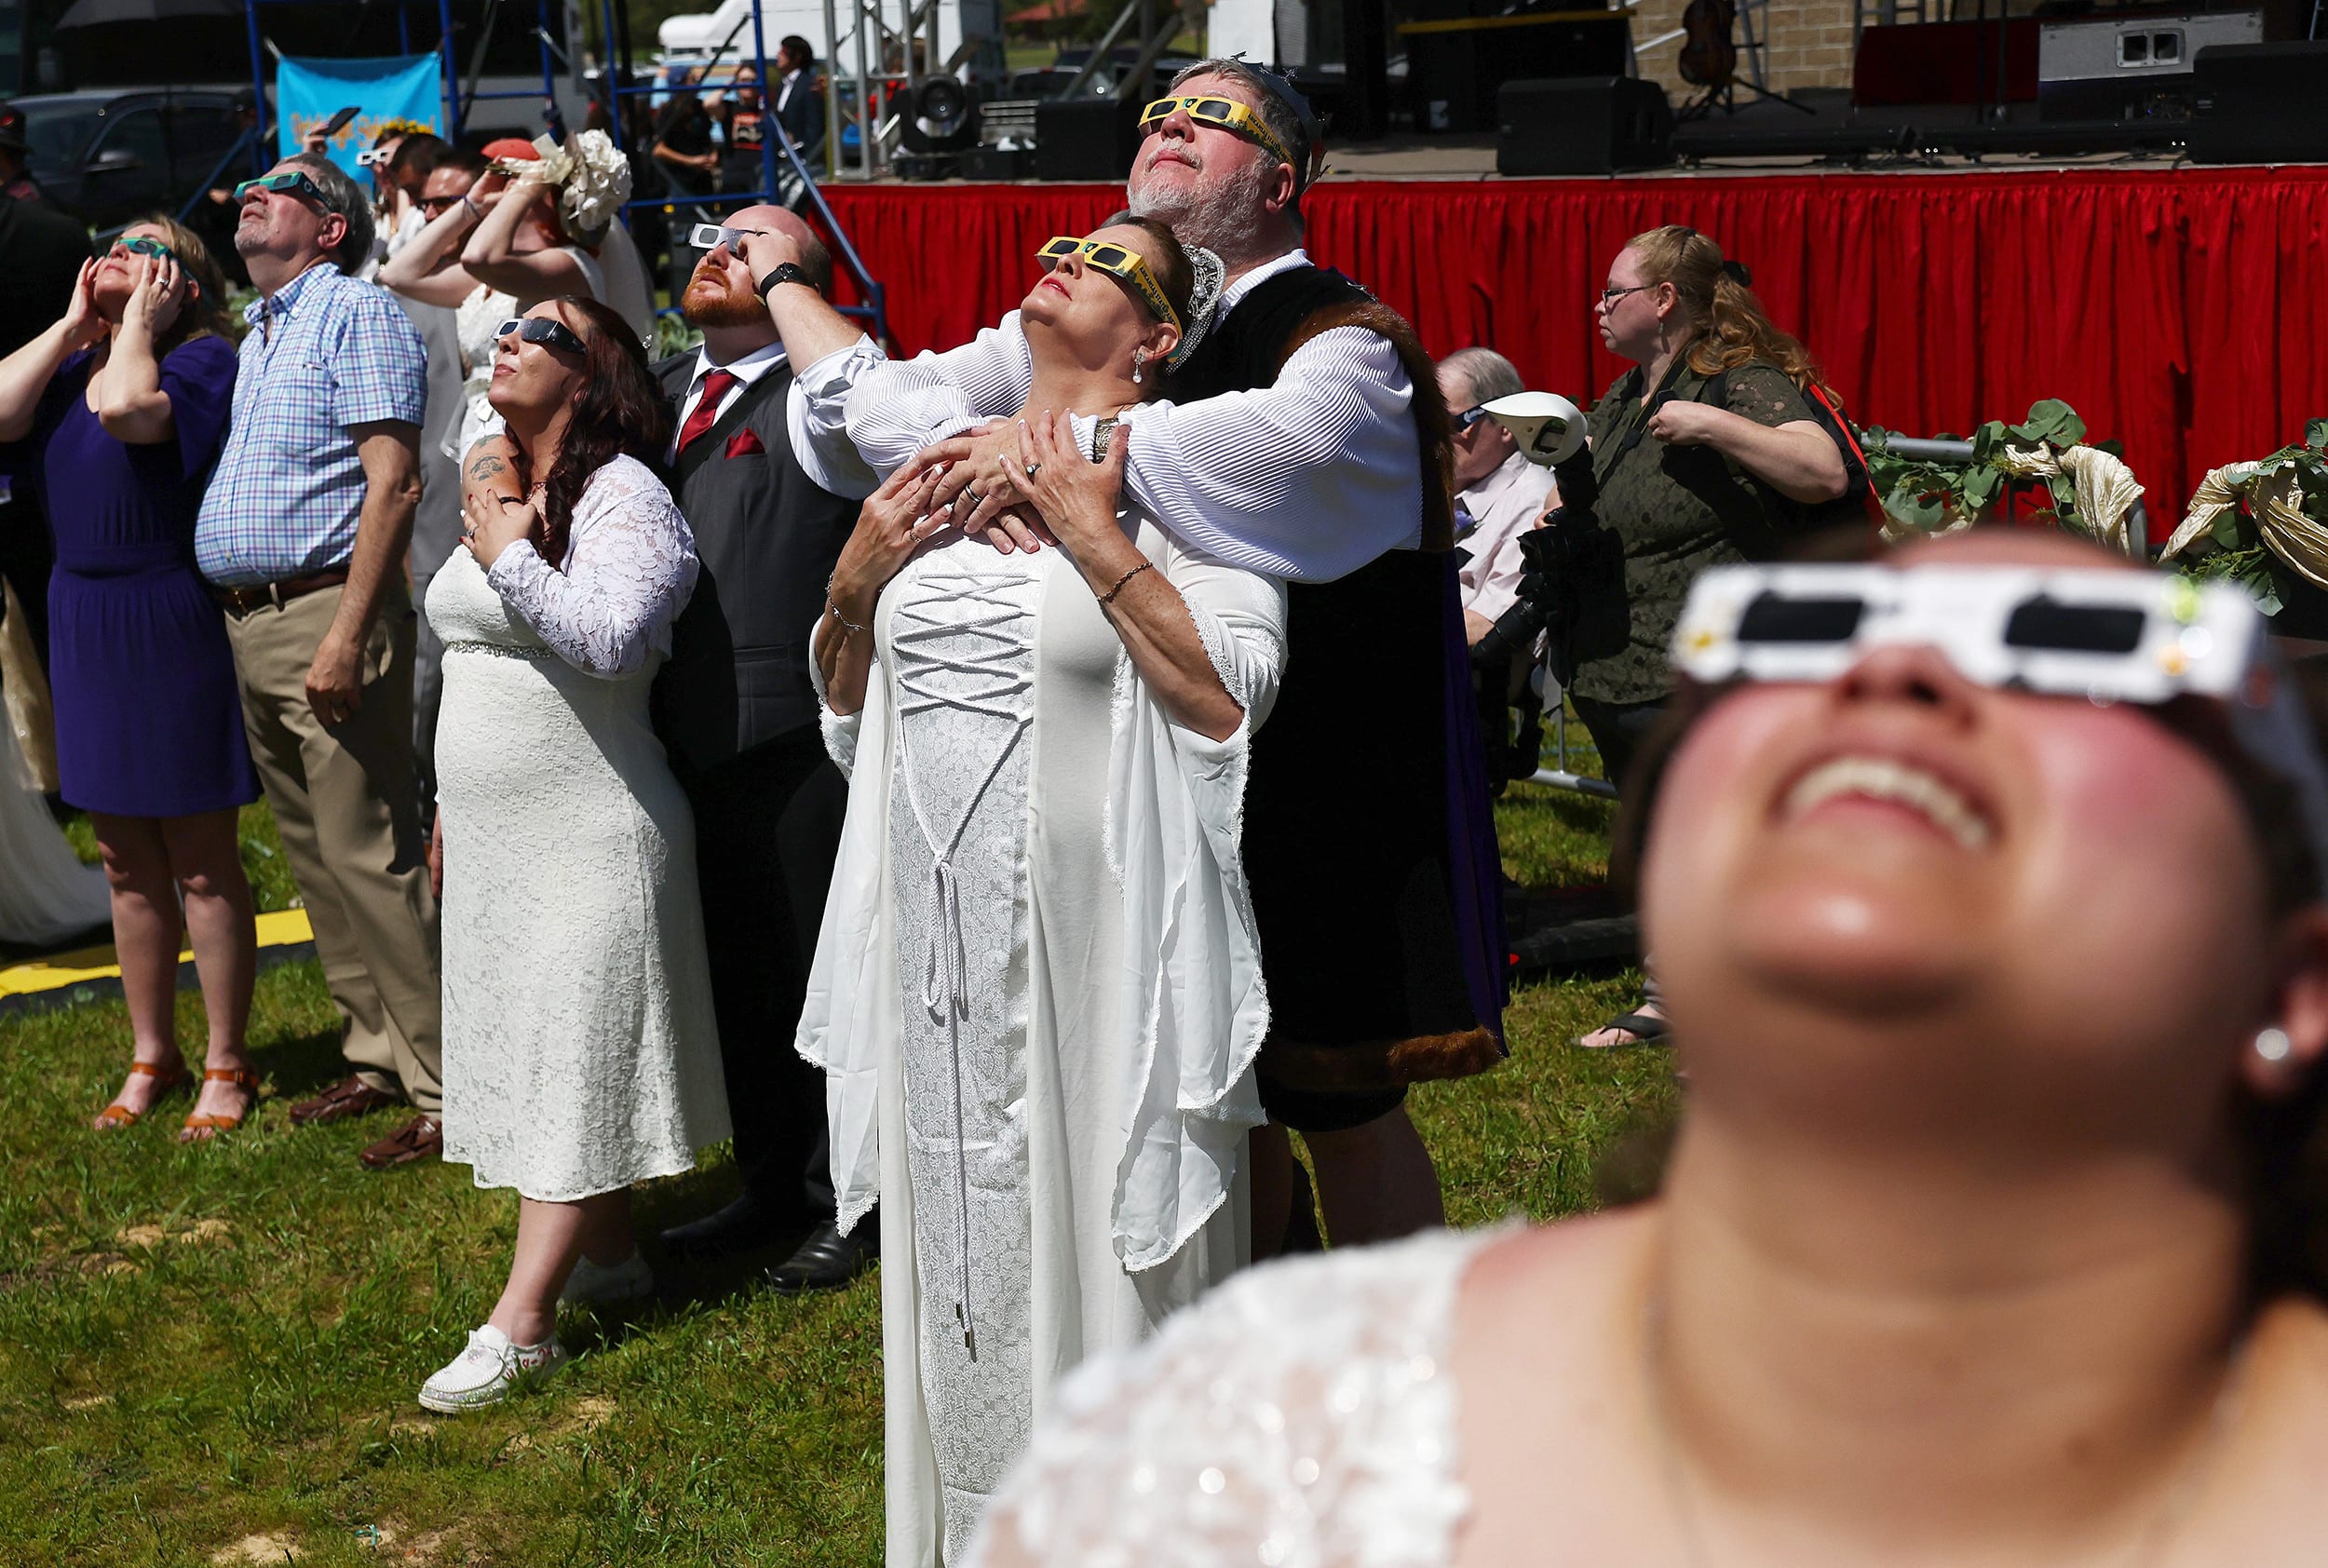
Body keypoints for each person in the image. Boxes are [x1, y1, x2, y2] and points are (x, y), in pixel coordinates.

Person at [965, 531, 2328, 1565]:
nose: (1892, 674)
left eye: (2074, 646)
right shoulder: (1249, 1445)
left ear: (2299, 983)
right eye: (1792, 635)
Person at [794, 59, 1504, 1254]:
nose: (1169, 126)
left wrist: (1035, 444)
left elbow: (1286, 449)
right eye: (1156, 115)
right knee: (1215, 1102)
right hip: (1136, 774)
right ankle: (1249, 1338)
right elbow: (880, 409)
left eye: (1207, 119)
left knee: (1335, 1093)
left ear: (1286, 178)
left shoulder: (1339, 336)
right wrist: (1017, 441)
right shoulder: (1098, 323)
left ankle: (1405, 1364)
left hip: (1312, 764)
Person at [796, 212, 1279, 1565]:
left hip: (1092, 956)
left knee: (1093, 1257)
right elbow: (850, 713)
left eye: (1110, 259)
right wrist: (850, 587)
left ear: (1160, 338)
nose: (1065, 254)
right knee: (961, 1264)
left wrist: (1088, 528)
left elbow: (1229, 699)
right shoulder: (933, 475)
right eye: (1064, 239)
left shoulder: (1187, 486)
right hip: (933, 951)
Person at [416, 297, 728, 1413]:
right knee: (541, 1042)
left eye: (540, 333)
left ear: (594, 376)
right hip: (503, 829)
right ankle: (611, 1254)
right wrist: (453, 804)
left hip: (595, 825)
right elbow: (474, 661)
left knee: (571, 1054)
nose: (507, 338)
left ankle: (524, 1323)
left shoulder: (624, 496)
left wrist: (505, 552)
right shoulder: (500, 481)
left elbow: (608, 640)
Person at [196, 153, 445, 1169]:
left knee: (370, 849)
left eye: (283, 184)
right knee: (314, 852)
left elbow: (391, 485)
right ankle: (375, 1053)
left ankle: (448, 1082)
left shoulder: (358, 311)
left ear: (332, 227)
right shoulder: (265, 332)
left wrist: (348, 633)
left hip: (324, 612)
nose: (252, 191)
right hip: (255, 620)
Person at [642, 208, 869, 1290]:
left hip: (796, 732)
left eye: (750, 243)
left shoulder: (824, 395)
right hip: (689, 730)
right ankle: (770, 1179)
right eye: (708, 238)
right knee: (739, 970)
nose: (713, 253)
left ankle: (850, 1194)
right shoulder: (670, 389)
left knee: (818, 966)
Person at [0, 219, 261, 1138]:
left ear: (181, 284)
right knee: (121, 856)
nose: (113, 250)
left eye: (142, 247)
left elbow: (127, 414)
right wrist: (76, 325)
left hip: (163, 612)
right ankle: (154, 1051)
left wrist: (138, 325)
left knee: (198, 853)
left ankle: (228, 1060)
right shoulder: (78, 365)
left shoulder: (198, 363)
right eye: (108, 242)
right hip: (81, 616)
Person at [1568, 223, 1847, 1051]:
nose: (1599, 305)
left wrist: (1717, 428)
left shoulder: (1737, 382)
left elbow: (1822, 469)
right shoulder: (1624, 397)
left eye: (1614, 292)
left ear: (1663, 301)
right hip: (1622, 660)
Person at [377, 144, 489, 820]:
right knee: (428, 660)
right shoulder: (406, 297)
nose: (434, 217)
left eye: (450, 204)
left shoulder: (518, 279)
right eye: (428, 206)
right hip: (430, 501)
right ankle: (424, 801)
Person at [0, 104, 94, 699]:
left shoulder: (50, 231)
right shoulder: (56, 234)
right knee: (46, 638)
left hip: (33, 465)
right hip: (45, 466)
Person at [459, 130, 654, 353]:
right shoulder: (504, 266)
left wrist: (523, 191)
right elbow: (410, 274)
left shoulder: (569, 263)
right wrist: (471, 205)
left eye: (505, 181)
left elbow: (476, 258)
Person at [1440, 347, 1552, 646]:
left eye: (1451, 424)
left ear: (1505, 425)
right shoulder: (1442, 489)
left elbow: (1485, 626)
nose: (1433, 437)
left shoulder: (1534, 501)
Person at [770, 37, 823, 209]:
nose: (778, 55)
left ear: (797, 56)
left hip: (801, 159)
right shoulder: (782, 85)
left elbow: (814, 126)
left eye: (784, 52)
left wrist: (808, 155)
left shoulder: (808, 85)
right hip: (782, 158)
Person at [721, 65, 766, 195]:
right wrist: (727, 87)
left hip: (761, 176)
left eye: (753, 80)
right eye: (744, 80)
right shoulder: (729, 108)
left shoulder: (768, 110)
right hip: (735, 177)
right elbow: (709, 104)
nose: (749, 84)